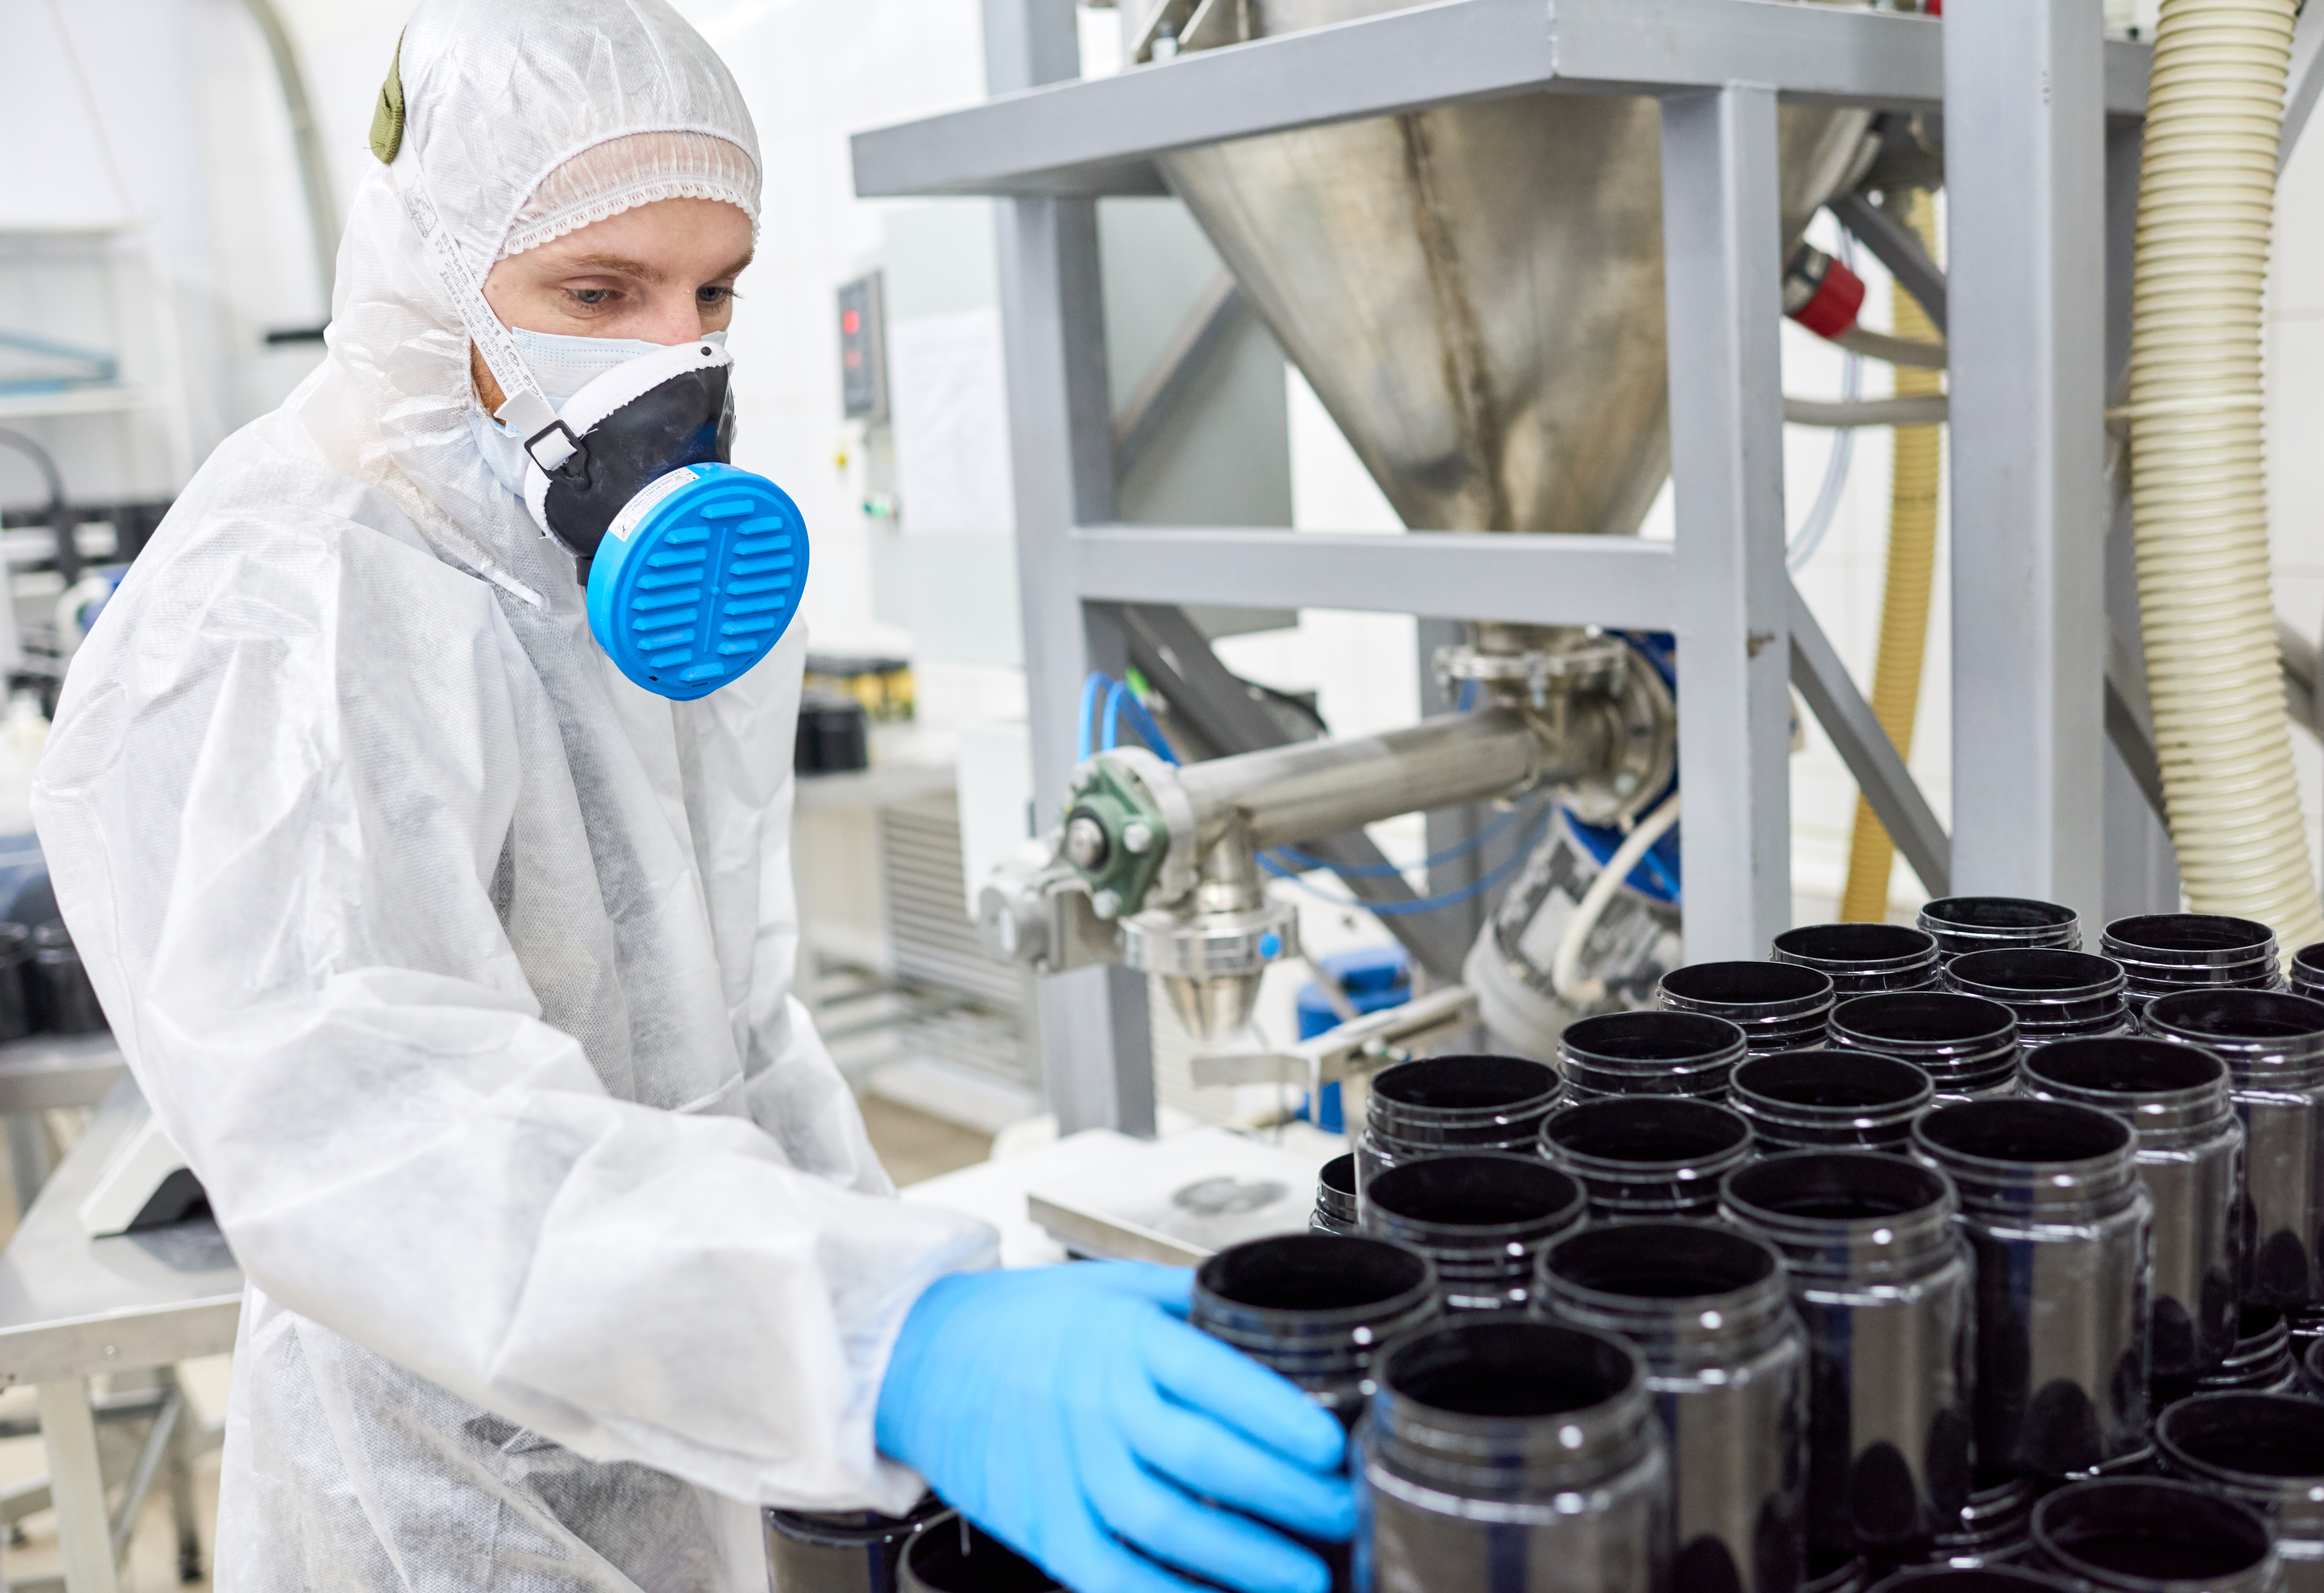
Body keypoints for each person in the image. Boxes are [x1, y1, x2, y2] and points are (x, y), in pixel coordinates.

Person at [27, 2, 1351, 1589]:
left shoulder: (607, 587)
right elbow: (375, 1137)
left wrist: (897, 1357)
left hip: (701, 1448)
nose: (677, 358)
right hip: (431, 1504)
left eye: (713, 291)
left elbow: (733, 1044)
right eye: (598, 294)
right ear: (430, 283)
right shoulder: (280, 604)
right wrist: (883, 1340)